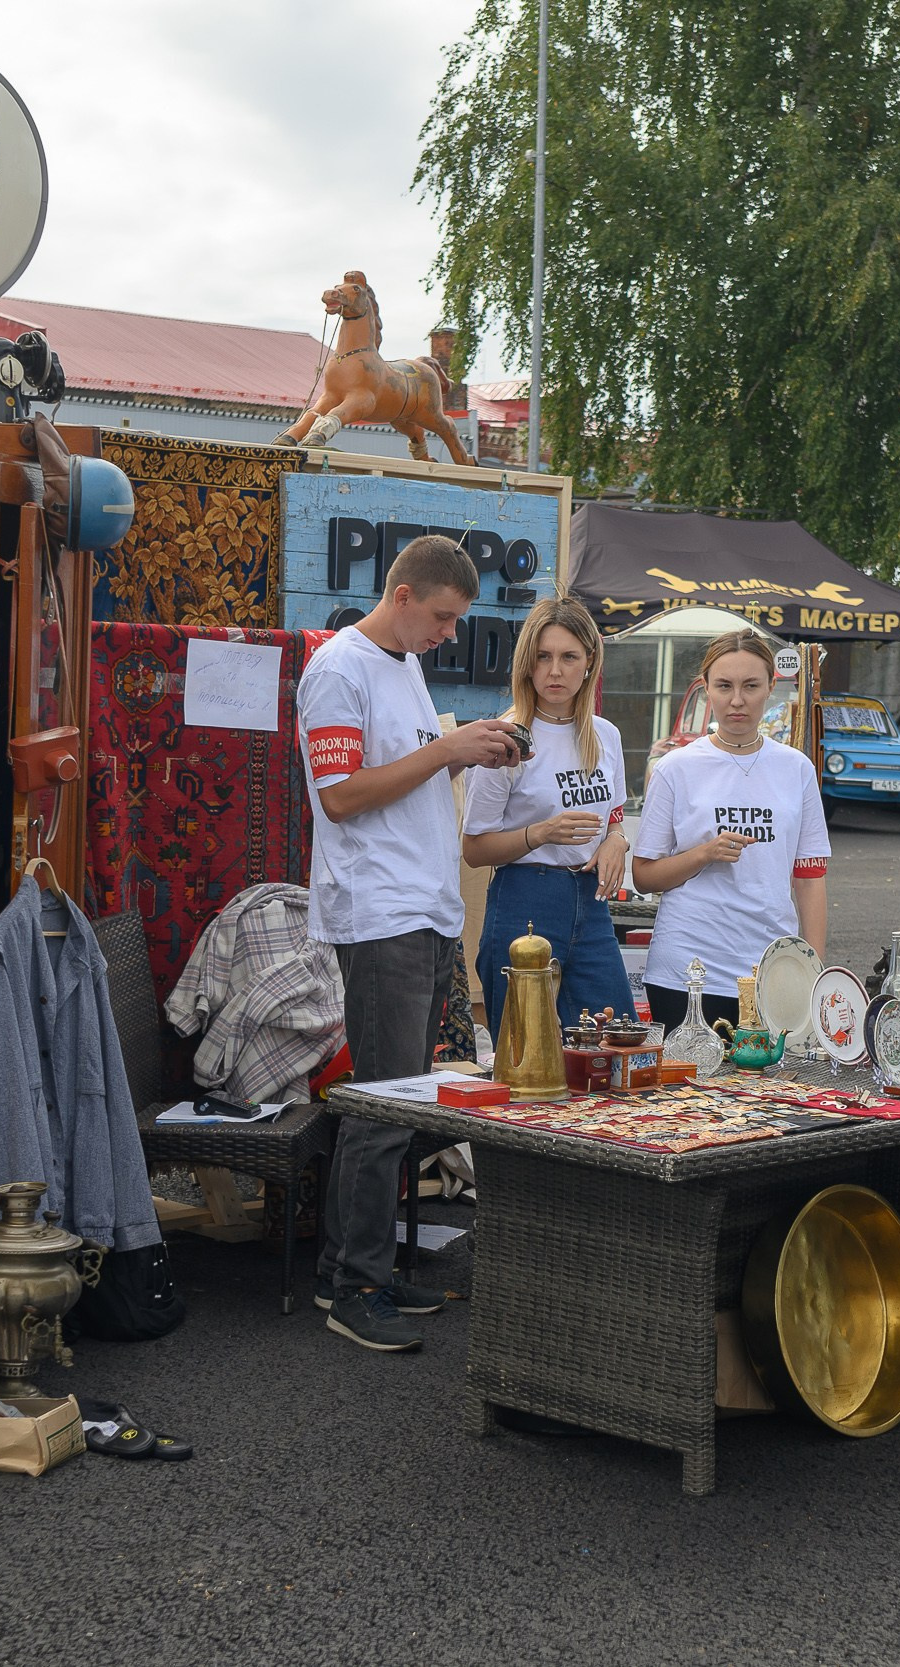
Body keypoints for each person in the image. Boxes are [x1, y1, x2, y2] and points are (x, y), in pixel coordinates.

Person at [298, 534, 527, 1352]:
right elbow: (342, 795)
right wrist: (448, 749)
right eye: (440, 615)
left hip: (421, 909)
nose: (448, 632)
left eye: (456, 620)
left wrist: (465, 750)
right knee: (383, 1105)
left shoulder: (400, 662)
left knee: (401, 1101)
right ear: (401, 593)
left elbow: (402, 776)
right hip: (380, 912)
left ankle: (358, 1268)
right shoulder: (338, 668)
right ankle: (352, 1285)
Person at [631, 630, 829, 1032]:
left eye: (751, 686)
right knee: (688, 1094)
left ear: (772, 686)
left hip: (772, 971)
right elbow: (643, 875)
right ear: (706, 688)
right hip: (686, 973)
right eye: (724, 686)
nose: (737, 700)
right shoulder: (676, 768)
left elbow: (809, 879)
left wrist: (814, 973)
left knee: (769, 1092)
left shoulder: (796, 769)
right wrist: (703, 854)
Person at [462, 595, 635, 1038]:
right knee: (523, 1052)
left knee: (616, 1043)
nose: (555, 671)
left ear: (589, 661)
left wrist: (617, 840)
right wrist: (540, 833)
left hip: (592, 902)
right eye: (543, 656)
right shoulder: (508, 735)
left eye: (568, 656)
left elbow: (613, 815)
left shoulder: (605, 734)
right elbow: (475, 848)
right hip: (526, 898)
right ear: (526, 663)